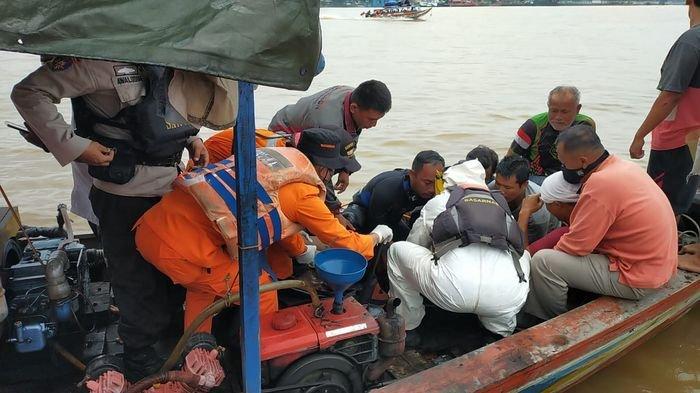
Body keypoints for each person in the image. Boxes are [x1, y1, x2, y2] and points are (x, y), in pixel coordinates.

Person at [10, 57, 237, 380]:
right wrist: (75, 146)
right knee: (136, 283)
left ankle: (175, 346)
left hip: (171, 191)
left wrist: (190, 139)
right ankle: (141, 361)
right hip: (122, 197)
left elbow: (159, 112)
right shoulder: (99, 62)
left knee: (175, 274)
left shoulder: (175, 58)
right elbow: (28, 92)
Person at [135, 128, 394, 334]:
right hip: (181, 252)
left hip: (150, 228)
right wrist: (378, 235)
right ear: (325, 168)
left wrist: (304, 251)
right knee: (263, 290)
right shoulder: (304, 195)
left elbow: (278, 218)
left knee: (204, 284)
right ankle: (258, 361)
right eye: (334, 170)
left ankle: (197, 348)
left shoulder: (270, 158)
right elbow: (348, 243)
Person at [524, 125, 678, 321]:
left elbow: (576, 246)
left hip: (638, 277)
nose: (563, 168)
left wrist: (546, 250)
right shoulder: (622, 166)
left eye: (563, 163)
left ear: (582, 161)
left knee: (545, 262)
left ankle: (548, 320)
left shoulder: (600, 183)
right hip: (658, 266)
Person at [386, 159, 531, 342]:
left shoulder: (440, 202)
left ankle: (409, 325)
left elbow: (415, 244)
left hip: (452, 293)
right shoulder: (501, 205)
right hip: (505, 300)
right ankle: (499, 330)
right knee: (525, 256)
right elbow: (517, 248)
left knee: (398, 251)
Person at [268, 80, 392, 213]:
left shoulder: (353, 97)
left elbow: (350, 134)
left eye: (377, 119)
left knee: (333, 162)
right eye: (371, 119)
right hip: (284, 133)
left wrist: (346, 169)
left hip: (314, 127)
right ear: (353, 108)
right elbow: (323, 163)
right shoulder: (328, 123)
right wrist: (335, 210)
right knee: (315, 175)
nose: (374, 125)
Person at [628, 0, 700, 216]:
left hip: (677, 140)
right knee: (680, 200)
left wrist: (640, 135)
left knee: (661, 205)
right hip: (695, 142)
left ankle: (662, 248)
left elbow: (670, 96)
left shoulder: (690, 41)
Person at [343, 150, 445, 241]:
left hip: (393, 216)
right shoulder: (388, 189)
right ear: (412, 175)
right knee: (349, 225)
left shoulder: (432, 190)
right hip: (364, 210)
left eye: (436, 183)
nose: (432, 189)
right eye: (427, 183)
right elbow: (374, 225)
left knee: (410, 242)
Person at [508, 86, 595, 185]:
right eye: (554, 111)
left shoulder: (585, 125)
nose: (558, 117)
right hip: (536, 178)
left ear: (578, 109)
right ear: (548, 106)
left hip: (572, 177)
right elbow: (510, 159)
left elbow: (591, 159)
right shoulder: (532, 127)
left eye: (564, 112)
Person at [493, 155, 558, 244]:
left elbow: (526, 250)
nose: (500, 191)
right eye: (498, 184)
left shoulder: (538, 214)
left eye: (507, 188)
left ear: (524, 185)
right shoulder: (492, 187)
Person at [518, 171, 579, 254]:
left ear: (557, 204)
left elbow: (523, 255)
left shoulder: (565, 232)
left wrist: (524, 212)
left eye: (546, 203)